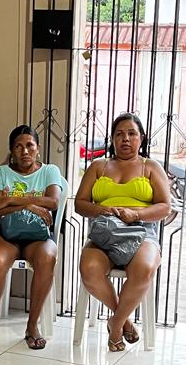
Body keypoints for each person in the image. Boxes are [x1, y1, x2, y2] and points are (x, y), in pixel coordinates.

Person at [74, 113, 173, 352]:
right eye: (119, 134)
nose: (125, 139)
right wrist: (103, 210)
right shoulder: (98, 167)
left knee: (144, 267)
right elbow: (80, 204)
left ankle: (116, 324)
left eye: (131, 134)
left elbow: (165, 207)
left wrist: (136, 214)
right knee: (89, 269)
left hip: (142, 231)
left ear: (142, 138)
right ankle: (125, 320)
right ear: (112, 139)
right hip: (105, 232)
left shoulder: (151, 167)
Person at [0, 125, 65, 348]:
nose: (25, 151)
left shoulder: (49, 171)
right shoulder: (1, 172)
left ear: (38, 148)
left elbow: (53, 202)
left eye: (30, 146)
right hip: (6, 235)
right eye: (18, 146)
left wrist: (11, 200)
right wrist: (31, 205)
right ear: (11, 151)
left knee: (48, 256)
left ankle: (32, 325)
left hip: (38, 237)